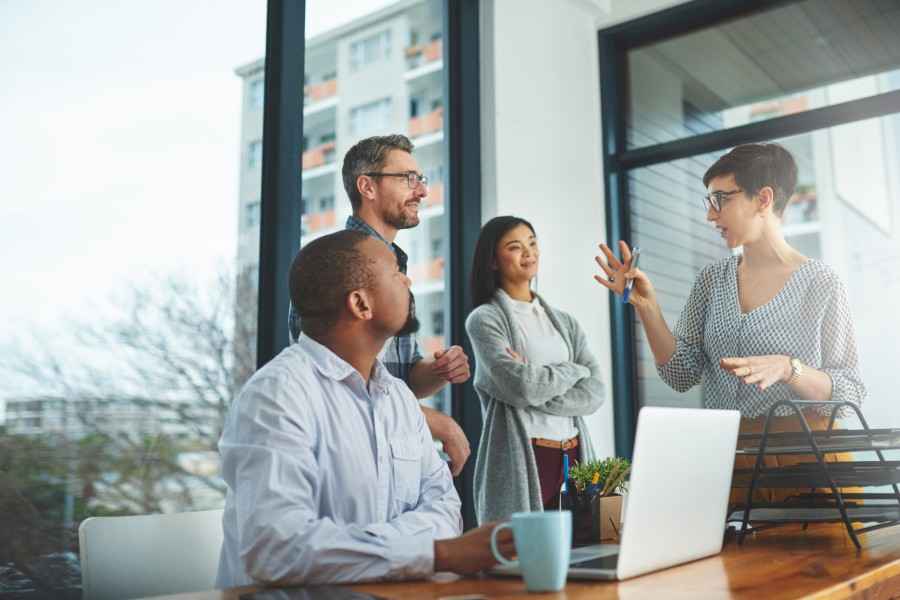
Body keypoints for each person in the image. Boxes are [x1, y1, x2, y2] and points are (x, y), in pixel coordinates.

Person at [216, 230, 513, 588]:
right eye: (394, 272)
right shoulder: (276, 395)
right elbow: (277, 549)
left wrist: (364, 549)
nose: (407, 279)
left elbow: (446, 508)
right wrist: (438, 554)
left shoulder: (399, 397)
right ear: (360, 304)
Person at [593, 143, 866, 504]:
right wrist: (647, 307)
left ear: (763, 199)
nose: (710, 215)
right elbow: (680, 373)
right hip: (729, 461)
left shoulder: (821, 282)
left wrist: (789, 369)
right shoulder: (711, 280)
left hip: (808, 462)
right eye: (708, 201)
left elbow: (850, 391)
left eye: (721, 199)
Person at [288, 134, 472, 477]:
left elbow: (402, 379)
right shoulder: (333, 265)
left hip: (390, 454)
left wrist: (438, 370)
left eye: (421, 179)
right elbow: (339, 388)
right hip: (348, 461)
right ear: (367, 187)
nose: (421, 191)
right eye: (407, 179)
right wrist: (436, 422)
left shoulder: (396, 270)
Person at [465, 216, 605, 524]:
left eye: (532, 242)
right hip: (527, 456)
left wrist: (537, 380)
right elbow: (522, 387)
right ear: (492, 261)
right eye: (515, 247)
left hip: (574, 454)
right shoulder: (485, 320)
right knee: (525, 560)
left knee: (585, 557)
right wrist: (572, 370)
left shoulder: (565, 322)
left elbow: (595, 393)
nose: (529, 252)